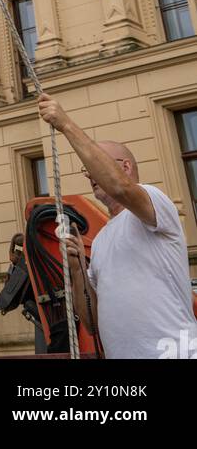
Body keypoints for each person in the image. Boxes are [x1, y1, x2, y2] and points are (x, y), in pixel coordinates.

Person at [38, 93, 197, 359]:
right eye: (86, 168)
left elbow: (120, 188)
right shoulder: (101, 240)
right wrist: (77, 270)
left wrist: (66, 125)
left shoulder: (155, 201)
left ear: (125, 166)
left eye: (95, 164)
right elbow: (90, 321)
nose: (89, 173)